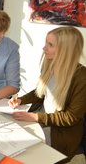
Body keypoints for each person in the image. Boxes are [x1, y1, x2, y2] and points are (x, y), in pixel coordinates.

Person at [8, 26, 86, 163]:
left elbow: (71, 117)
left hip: (60, 132)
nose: (44, 48)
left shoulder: (81, 77)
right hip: (44, 120)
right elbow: (40, 92)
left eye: (50, 45)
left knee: (20, 149)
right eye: (46, 43)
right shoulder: (50, 64)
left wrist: (35, 117)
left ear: (65, 50)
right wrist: (20, 100)